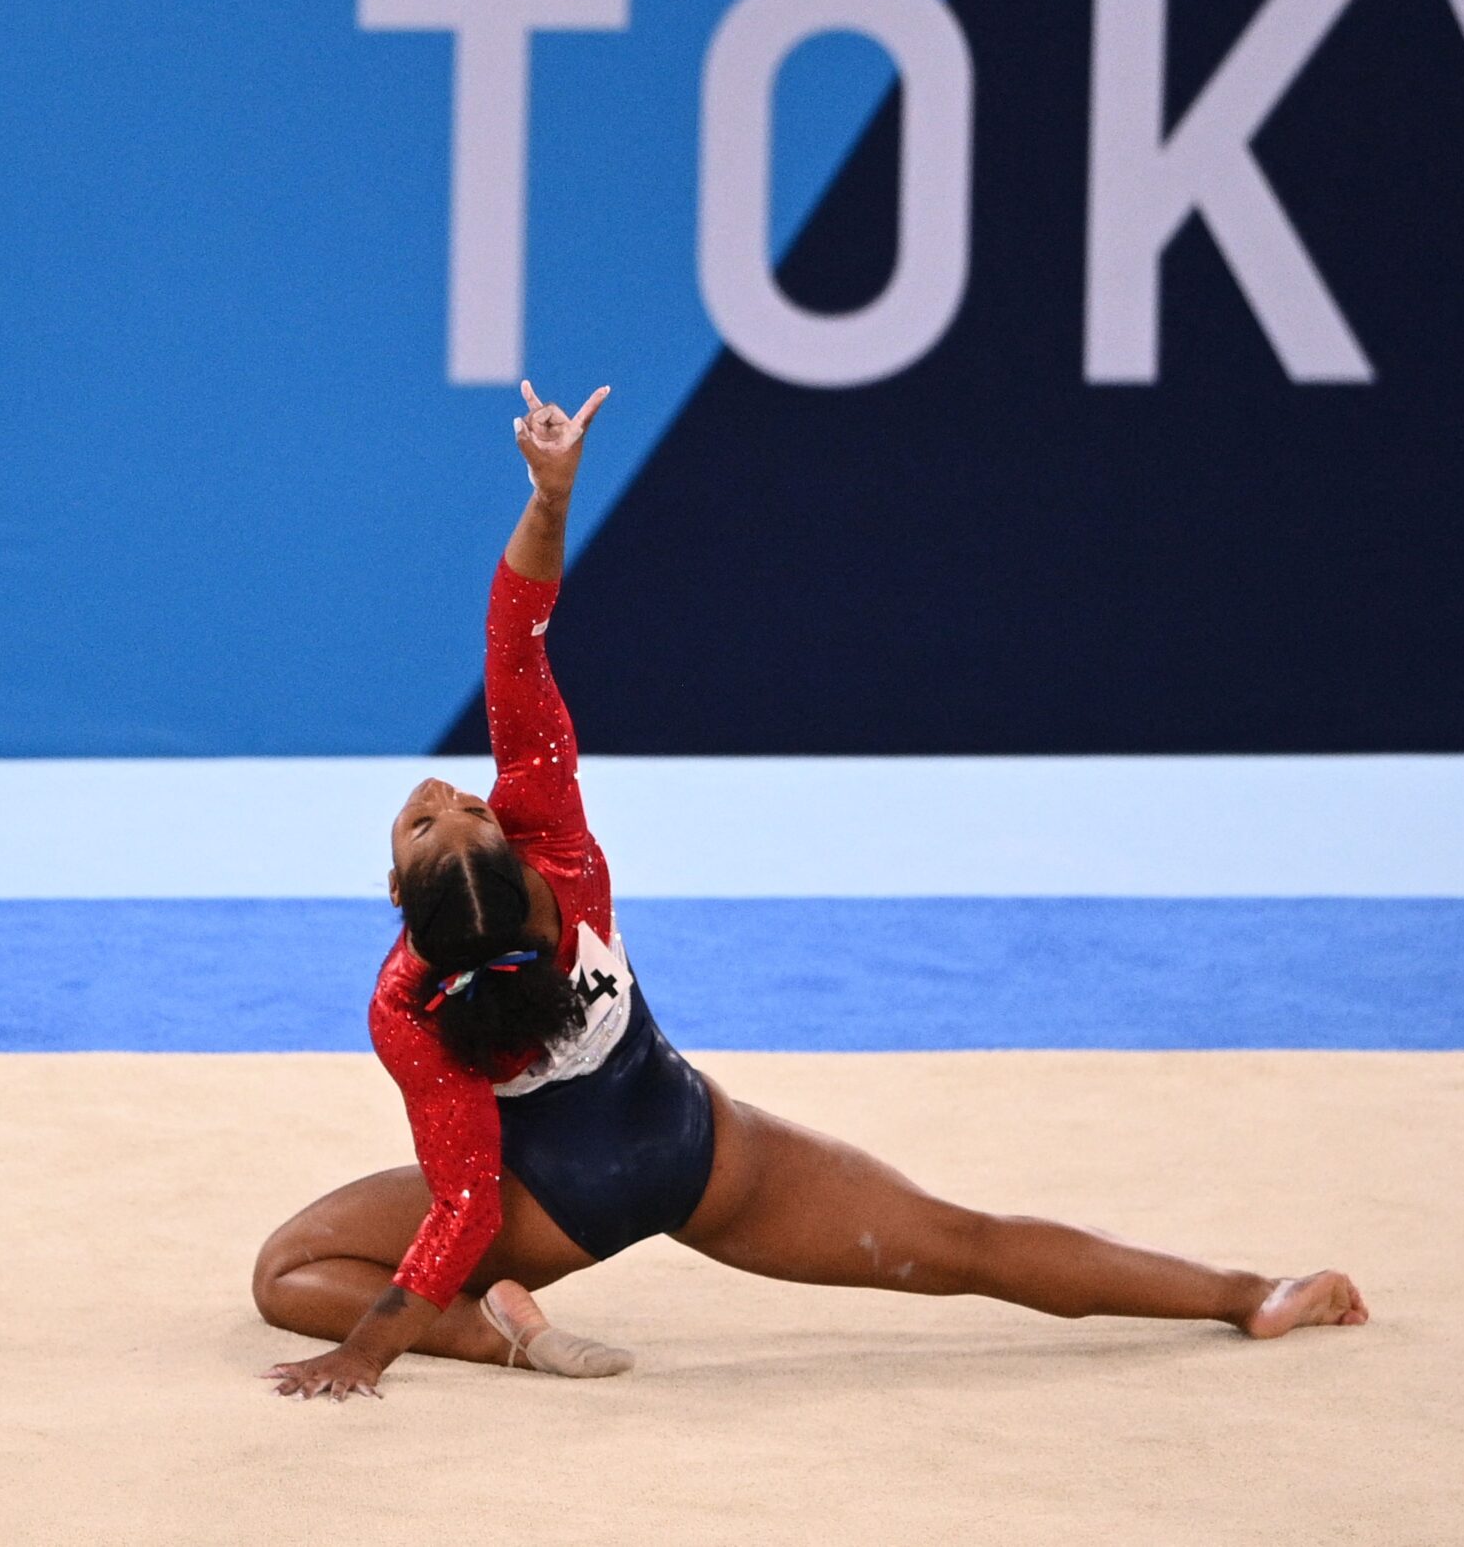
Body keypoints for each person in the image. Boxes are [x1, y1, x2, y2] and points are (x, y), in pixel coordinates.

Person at [254, 381, 1368, 1399]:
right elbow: (517, 639)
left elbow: (468, 1204)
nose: (445, 790)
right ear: (506, 848)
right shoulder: (564, 854)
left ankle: (487, 1328)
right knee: (962, 1243)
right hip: (699, 1151)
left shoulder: (408, 1005)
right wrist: (552, 500)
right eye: (442, 812)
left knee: (293, 1269)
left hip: (557, 1211)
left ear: (398, 902)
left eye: (435, 810)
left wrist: (371, 1350)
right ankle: (1245, 1295)